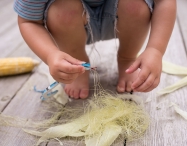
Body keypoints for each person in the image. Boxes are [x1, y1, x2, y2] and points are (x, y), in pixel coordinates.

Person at [14, 0, 176, 99]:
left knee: (136, 4)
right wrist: (51, 55)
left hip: (124, 16)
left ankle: (128, 58)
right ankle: (77, 64)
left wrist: (155, 49)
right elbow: (29, 21)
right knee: (62, 10)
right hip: (70, 23)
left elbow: (164, 1)